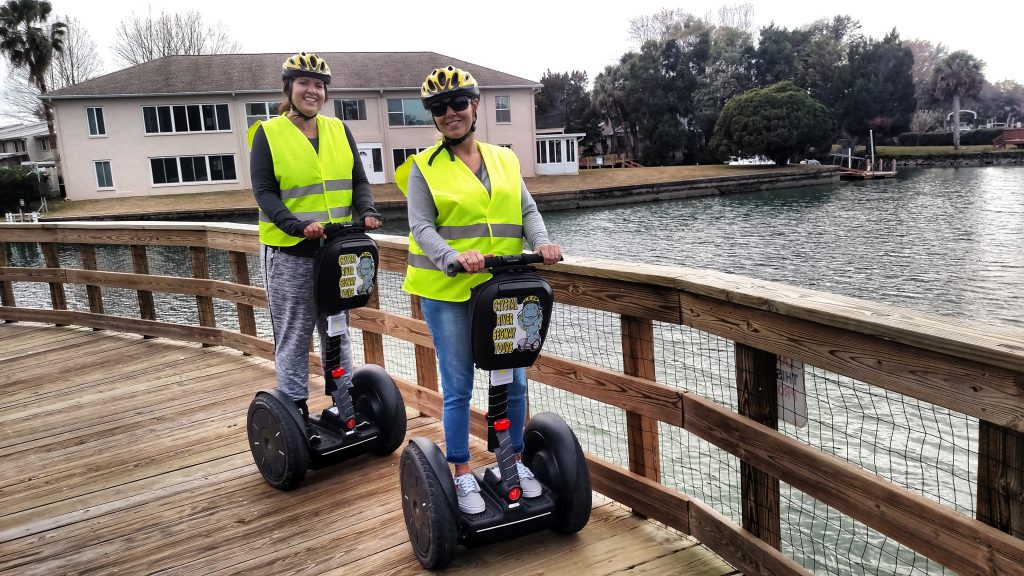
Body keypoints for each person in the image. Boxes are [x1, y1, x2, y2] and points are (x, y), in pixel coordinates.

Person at [396, 65, 562, 514]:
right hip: (448, 291)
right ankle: (462, 471)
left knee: (515, 378)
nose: (450, 113)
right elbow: (421, 227)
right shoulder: (423, 169)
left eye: (457, 103)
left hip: (505, 289)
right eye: (439, 108)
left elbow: (527, 209)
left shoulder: (504, 158)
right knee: (457, 385)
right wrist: (452, 256)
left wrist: (542, 242)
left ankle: (513, 461)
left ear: (474, 105)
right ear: (433, 116)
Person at [249, 52, 383, 442]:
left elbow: (359, 180)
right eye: (304, 83)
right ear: (289, 89)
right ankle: (294, 414)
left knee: (337, 330)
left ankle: (345, 406)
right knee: (295, 334)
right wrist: (294, 225)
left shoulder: (339, 129)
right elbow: (264, 191)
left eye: (319, 85)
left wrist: (368, 210)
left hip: (337, 252)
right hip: (291, 251)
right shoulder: (268, 133)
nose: (312, 90)